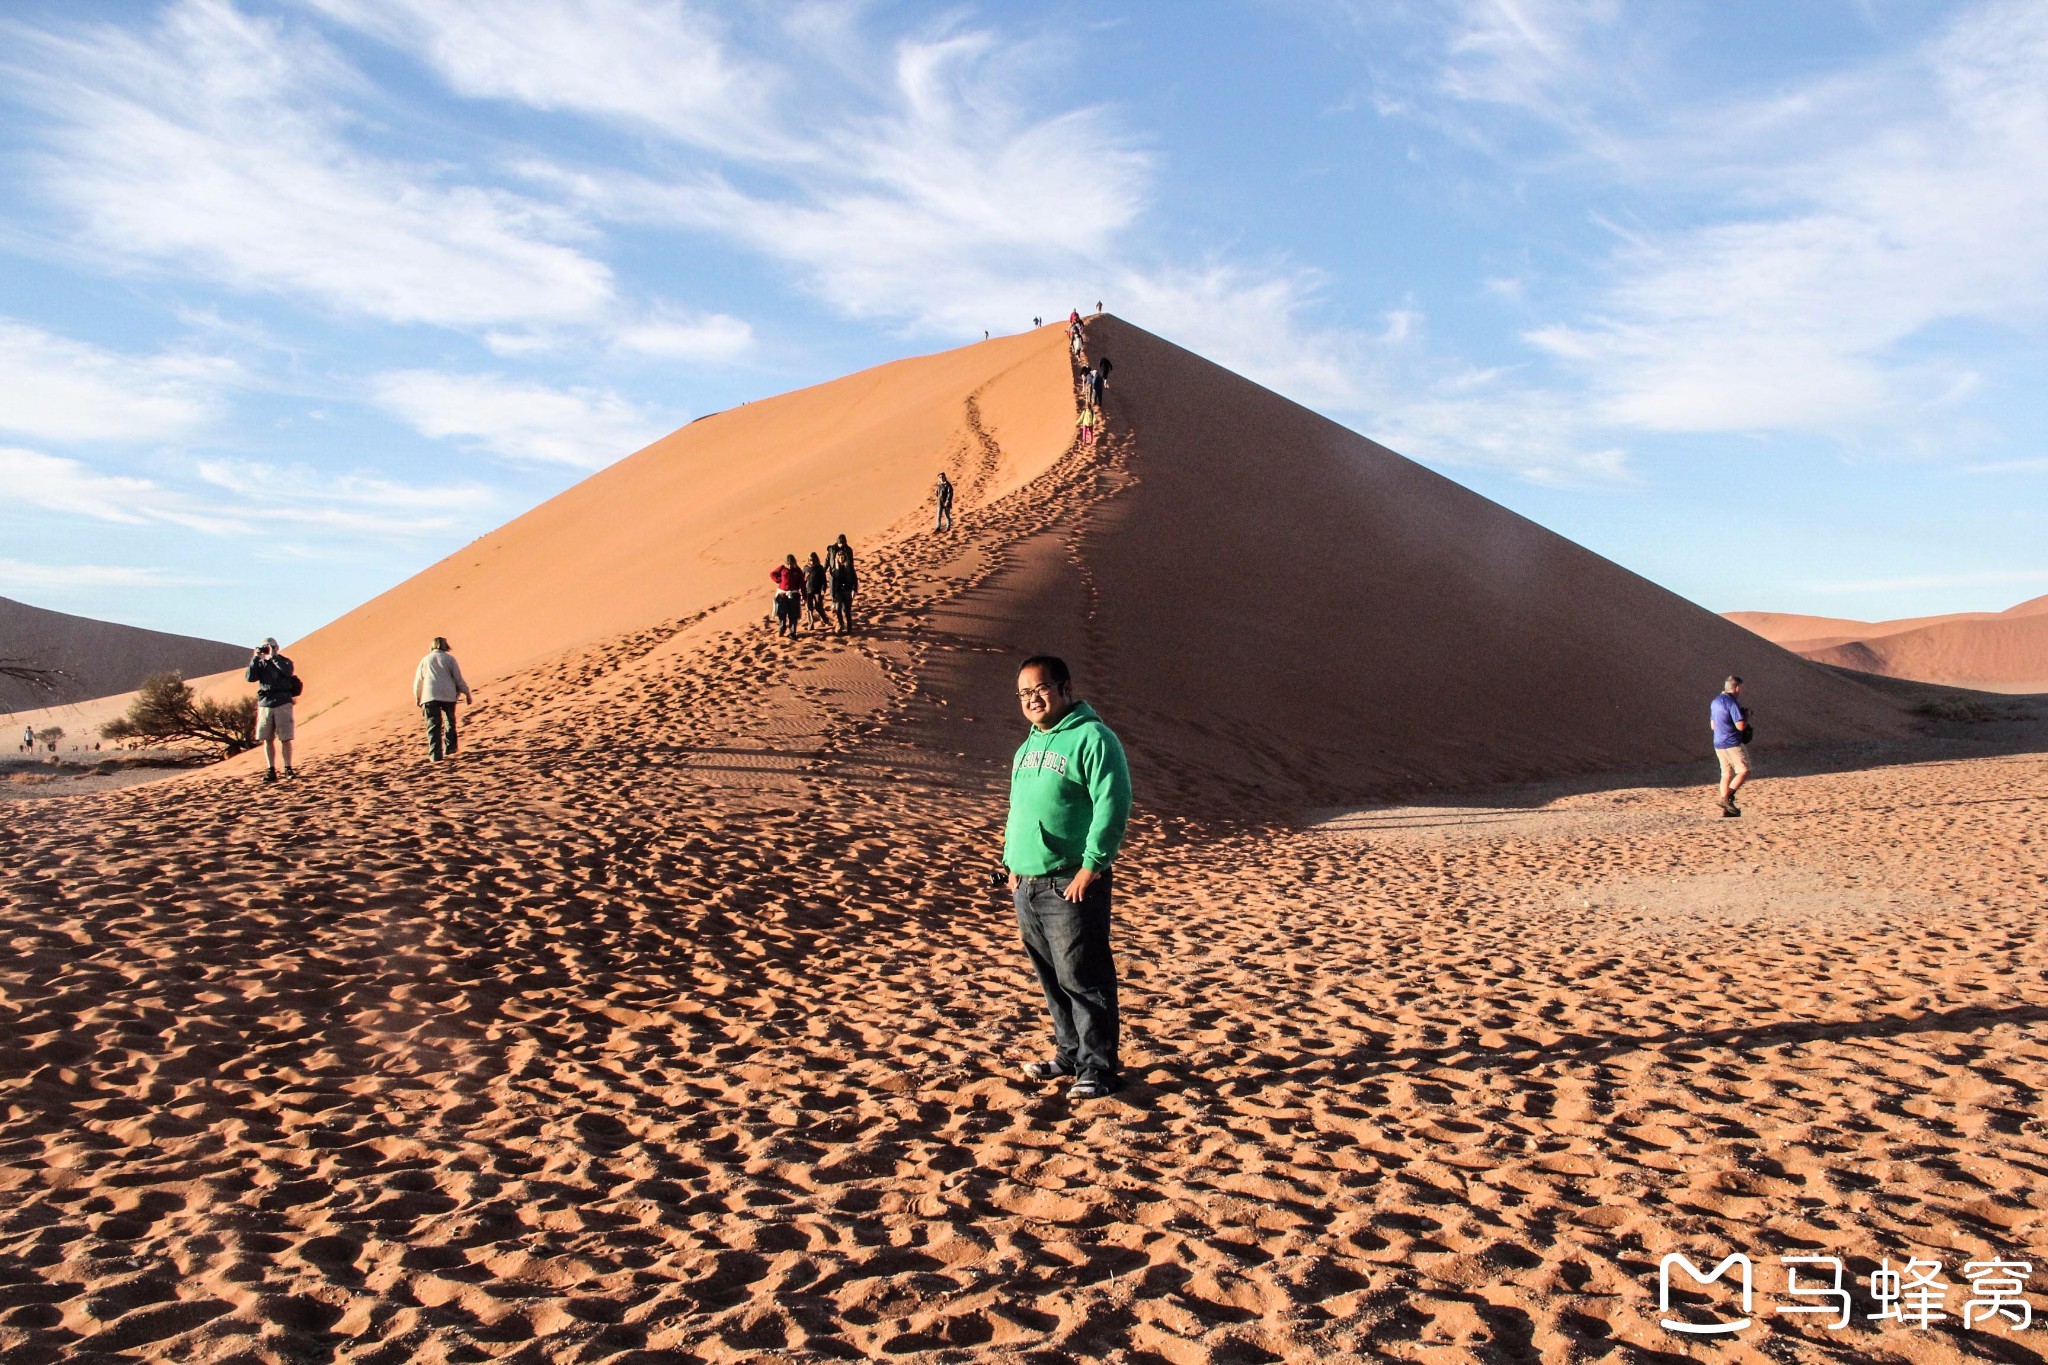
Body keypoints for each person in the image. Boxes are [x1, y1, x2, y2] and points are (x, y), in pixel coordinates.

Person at [1004, 655, 1131, 1102]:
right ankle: (1071, 1055)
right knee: (1052, 978)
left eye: (1040, 689)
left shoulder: (1093, 738)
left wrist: (1091, 866)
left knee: (1084, 977)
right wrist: (1012, 863)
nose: (1032, 699)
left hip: (1069, 883)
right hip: (1028, 883)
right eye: (1023, 693)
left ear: (1065, 688)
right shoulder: (1028, 746)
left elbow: (1113, 804)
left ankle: (1099, 1067)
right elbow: (1021, 809)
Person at [413, 636, 473, 762]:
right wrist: (467, 693)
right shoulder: (449, 658)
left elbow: (418, 681)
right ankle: (450, 749)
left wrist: (417, 697)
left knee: (432, 726)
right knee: (449, 722)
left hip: (429, 696)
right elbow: (458, 678)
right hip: (448, 696)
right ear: (445, 646)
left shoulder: (425, 660)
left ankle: (435, 756)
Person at [245, 637, 297, 781]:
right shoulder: (260, 663)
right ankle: (271, 770)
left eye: (271, 646)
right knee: (267, 739)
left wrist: (273, 657)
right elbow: (250, 677)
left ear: (277, 647)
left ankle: (288, 768)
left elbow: (287, 672)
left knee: (285, 738)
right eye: (265, 647)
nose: (268, 649)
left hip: (283, 703)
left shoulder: (285, 661)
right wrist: (256, 658)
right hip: (265, 704)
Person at [1711, 675, 1751, 816]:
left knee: (1726, 773)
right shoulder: (1731, 702)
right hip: (1732, 742)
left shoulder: (1715, 702)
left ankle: (1726, 810)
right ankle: (1727, 798)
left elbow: (1713, 725)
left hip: (1718, 742)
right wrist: (1746, 717)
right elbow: (1740, 726)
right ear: (1737, 688)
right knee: (1744, 770)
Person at [827, 535, 858, 633]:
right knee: (838, 609)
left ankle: (849, 629)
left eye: (843, 557)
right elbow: (833, 581)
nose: (841, 559)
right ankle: (841, 625)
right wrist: (832, 594)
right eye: (840, 558)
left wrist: (854, 589)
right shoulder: (835, 570)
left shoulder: (849, 567)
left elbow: (854, 578)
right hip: (838, 592)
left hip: (847, 590)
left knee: (847, 611)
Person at [771, 555, 805, 638]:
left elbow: (802, 584)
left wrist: (804, 596)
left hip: (793, 596)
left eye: (791, 564)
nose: (790, 566)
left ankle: (793, 632)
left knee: (793, 615)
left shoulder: (798, 571)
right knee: (782, 613)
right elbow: (772, 574)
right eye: (788, 564)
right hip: (782, 595)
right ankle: (782, 628)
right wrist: (778, 580)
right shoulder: (782, 568)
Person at [803, 552, 829, 627]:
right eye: (810, 560)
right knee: (809, 608)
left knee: (818, 607)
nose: (812, 561)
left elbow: (824, 581)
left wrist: (823, 589)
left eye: (813, 560)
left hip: (817, 591)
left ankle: (825, 620)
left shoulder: (820, 568)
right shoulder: (805, 568)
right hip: (808, 591)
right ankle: (810, 624)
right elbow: (802, 580)